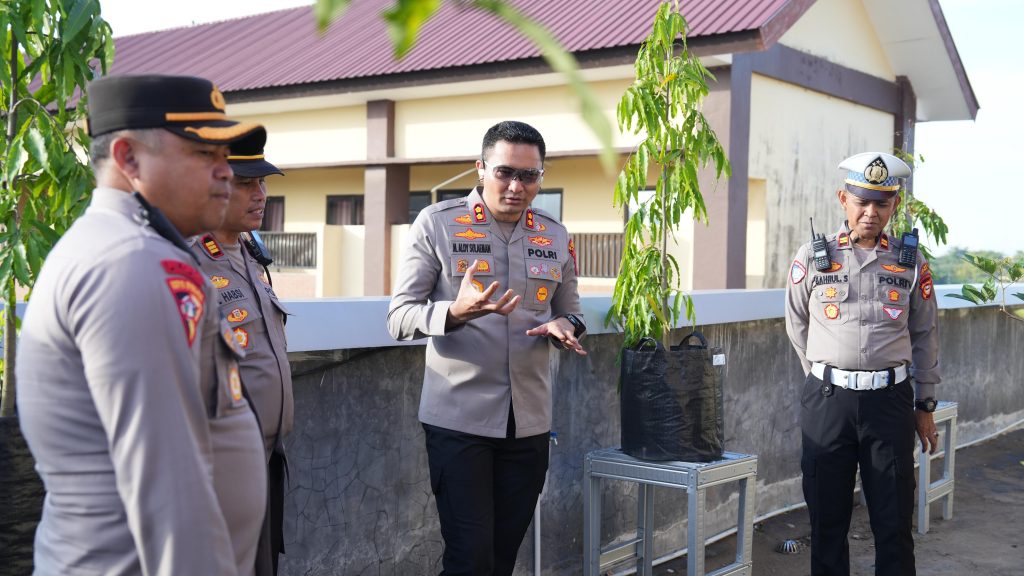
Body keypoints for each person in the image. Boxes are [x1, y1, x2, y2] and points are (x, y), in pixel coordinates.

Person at [16, 74, 268, 576]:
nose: (226, 172)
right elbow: (169, 484)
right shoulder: (130, 263)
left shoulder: (134, 249)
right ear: (129, 158)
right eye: (204, 154)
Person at [387, 120, 587, 575]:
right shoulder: (438, 224)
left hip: (530, 423)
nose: (516, 186)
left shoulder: (555, 235)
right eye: (504, 173)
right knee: (469, 557)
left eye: (529, 176)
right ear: (480, 169)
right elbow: (399, 316)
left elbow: (573, 312)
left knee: (500, 557)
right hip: (460, 421)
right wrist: (454, 313)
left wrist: (564, 325)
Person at [784, 151, 942, 576]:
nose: (871, 213)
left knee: (893, 525)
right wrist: (825, 375)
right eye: (862, 202)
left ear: (894, 206)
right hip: (828, 403)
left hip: (889, 404)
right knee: (827, 523)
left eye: (882, 203)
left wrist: (925, 406)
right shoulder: (813, 257)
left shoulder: (910, 262)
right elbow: (796, 324)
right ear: (843, 199)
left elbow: (925, 334)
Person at [192, 141, 292, 575]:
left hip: (268, 454)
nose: (260, 195)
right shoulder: (188, 259)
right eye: (246, 183)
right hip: (221, 461)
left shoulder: (250, 252)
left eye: (262, 183)